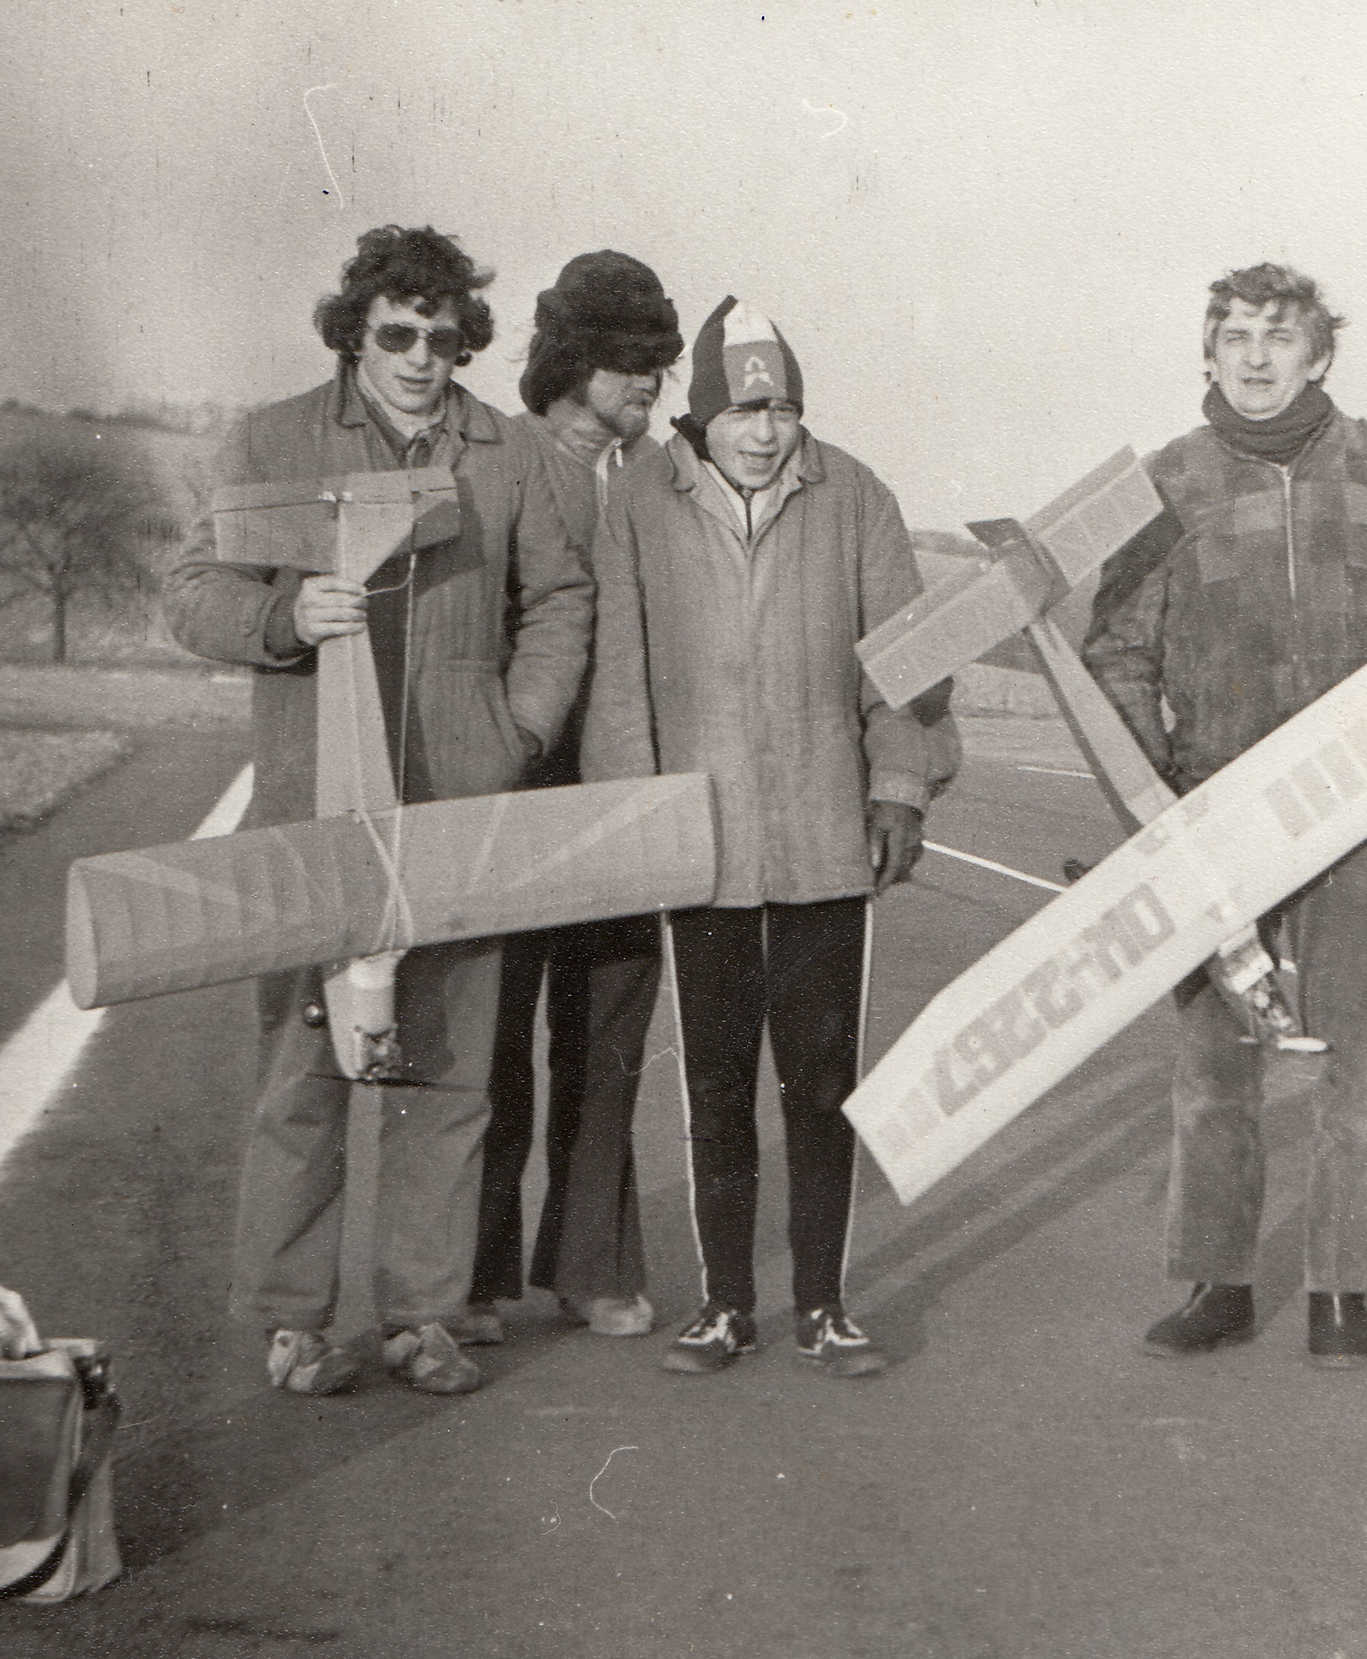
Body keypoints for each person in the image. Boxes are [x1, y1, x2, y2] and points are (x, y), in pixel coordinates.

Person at [165, 225, 594, 1398]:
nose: (419, 359)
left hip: (459, 809)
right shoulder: (274, 440)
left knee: (444, 1076)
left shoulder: (507, 454)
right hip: (315, 812)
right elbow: (191, 590)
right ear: (355, 333)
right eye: (397, 334)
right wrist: (282, 618)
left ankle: (423, 1315)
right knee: (304, 1073)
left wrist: (516, 731)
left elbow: (560, 599)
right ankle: (293, 1318)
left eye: (442, 340)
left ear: (465, 346)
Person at [1083, 262, 1367, 1368]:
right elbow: (1116, 649)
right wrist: (1154, 793)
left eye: (1279, 336)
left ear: (1319, 355)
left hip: (1361, 807)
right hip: (1216, 811)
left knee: (1360, 1058)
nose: (1256, 356)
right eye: (1235, 336)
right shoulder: (1168, 481)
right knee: (1216, 1063)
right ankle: (1216, 1282)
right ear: (1208, 353)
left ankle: (1343, 1290)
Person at [581, 295, 961, 1378]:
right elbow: (619, 683)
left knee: (821, 1082)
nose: (764, 432)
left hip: (823, 841)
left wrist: (900, 790)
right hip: (699, 844)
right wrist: (634, 823)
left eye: (782, 410)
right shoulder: (640, 503)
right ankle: (725, 1305)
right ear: (702, 416)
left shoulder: (857, 497)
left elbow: (905, 668)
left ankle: (826, 1305)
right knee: (713, 1084)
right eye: (744, 411)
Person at [462, 251, 683, 1348]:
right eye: (629, 359)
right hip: (511, 785)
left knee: (606, 1041)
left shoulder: (666, 480)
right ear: (569, 360)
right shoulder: (497, 461)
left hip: (625, 789)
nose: (650, 381)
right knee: (491, 1036)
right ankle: (472, 1274)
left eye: (661, 361)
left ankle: (591, 1265)